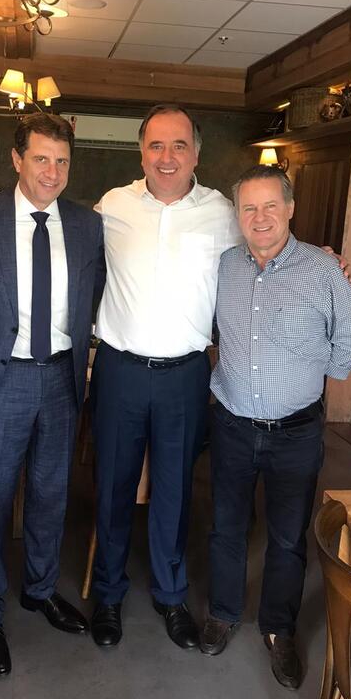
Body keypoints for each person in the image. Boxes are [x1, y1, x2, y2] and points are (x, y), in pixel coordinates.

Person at [200, 165, 351, 689]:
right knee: (226, 527)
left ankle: (279, 629)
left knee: (287, 537)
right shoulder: (225, 266)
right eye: (249, 207)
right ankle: (223, 612)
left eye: (270, 205)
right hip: (231, 423)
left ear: (290, 209)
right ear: (237, 215)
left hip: (296, 431)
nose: (260, 217)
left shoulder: (322, 270)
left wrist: (307, 362)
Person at [0, 112, 104, 678]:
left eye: (62, 161)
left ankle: (40, 590)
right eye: (41, 158)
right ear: (17, 160)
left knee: (50, 493)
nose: (52, 171)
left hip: (63, 377)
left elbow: (100, 292)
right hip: (3, 379)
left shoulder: (87, 225)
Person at [90, 103, 243, 649]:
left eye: (179, 145)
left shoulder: (224, 214)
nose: (167, 156)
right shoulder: (113, 205)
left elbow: (267, 251)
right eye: (156, 145)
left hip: (185, 375)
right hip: (119, 371)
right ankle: (107, 594)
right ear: (141, 153)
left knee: (175, 490)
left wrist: (320, 257)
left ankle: (170, 595)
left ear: (197, 153)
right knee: (112, 485)